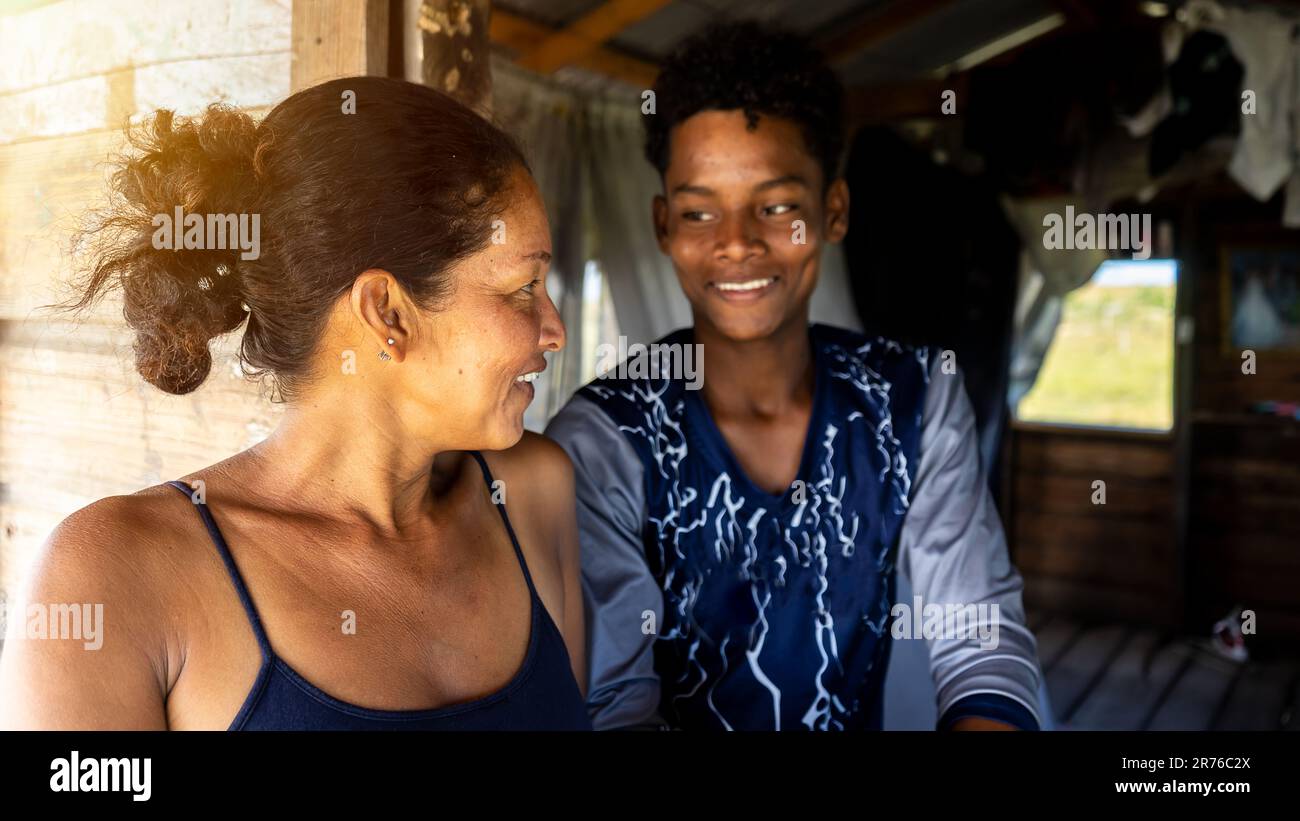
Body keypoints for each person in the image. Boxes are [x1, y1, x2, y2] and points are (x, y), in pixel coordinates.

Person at [0, 77, 592, 731]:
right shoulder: (113, 576)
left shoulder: (534, 493)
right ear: (387, 312)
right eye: (522, 286)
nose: (554, 328)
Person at [545, 22, 1042, 731]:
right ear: (663, 227)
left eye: (776, 206)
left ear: (833, 210)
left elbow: (981, 646)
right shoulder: (604, 442)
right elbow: (616, 704)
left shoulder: (916, 401)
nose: (738, 241)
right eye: (698, 210)